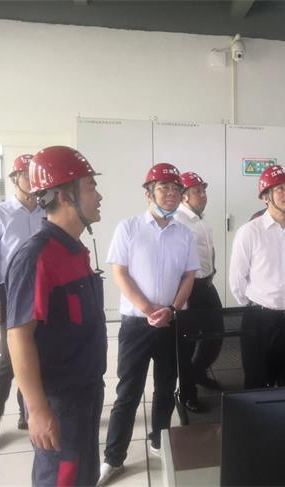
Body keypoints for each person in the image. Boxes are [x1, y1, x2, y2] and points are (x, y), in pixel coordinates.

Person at [6, 146, 106, 486]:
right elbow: (18, 336)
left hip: (86, 392)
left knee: (84, 474)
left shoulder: (75, 250)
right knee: (61, 478)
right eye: (91, 187)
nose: (99, 196)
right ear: (65, 196)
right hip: (59, 400)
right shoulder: (37, 256)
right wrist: (37, 409)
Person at [98, 163, 198, 486]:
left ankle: (159, 440)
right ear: (148, 193)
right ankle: (113, 457)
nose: (171, 194)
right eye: (163, 188)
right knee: (128, 391)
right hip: (136, 324)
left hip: (170, 322)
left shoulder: (184, 233)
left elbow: (189, 276)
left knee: (166, 386)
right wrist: (148, 308)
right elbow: (120, 273)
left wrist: (171, 309)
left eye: (176, 189)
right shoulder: (128, 228)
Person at [0, 153, 45, 450]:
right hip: (11, 291)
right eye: (26, 174)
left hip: (43, 289)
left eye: (35, 174)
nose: (32, 180)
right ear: (15, 179)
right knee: (9, 356)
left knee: (37, 349)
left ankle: (26, 410)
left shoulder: (46, 211)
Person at [229, 165, 285, 388]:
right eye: (280, 189)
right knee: (257, 383)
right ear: (265, 197)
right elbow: (237, 279)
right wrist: (255, 306)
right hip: (260, 320)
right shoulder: (249, 232)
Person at [173, 171, 224, 413]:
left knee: (216, 333)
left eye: (204, 191)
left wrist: (212, 270)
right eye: (197, 191)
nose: (203, 195)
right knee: (187, 343)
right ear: (184, 195)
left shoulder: (201, 220)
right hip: (189, 288)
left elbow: (208, 249)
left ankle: (198, 371)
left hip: (206, 284)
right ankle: (187, 393)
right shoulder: (178, 221)